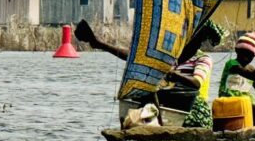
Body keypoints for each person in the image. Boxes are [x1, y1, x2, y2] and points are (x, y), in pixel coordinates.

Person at [74, 19, 227, 129]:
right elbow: (136, 58)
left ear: (198, 40)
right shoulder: (171, 56)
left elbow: (196, 83)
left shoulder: (203, 59)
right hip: (164, 102)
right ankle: (141, 124)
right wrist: (101, 45)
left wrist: (174, 74)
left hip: (190, 107)